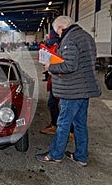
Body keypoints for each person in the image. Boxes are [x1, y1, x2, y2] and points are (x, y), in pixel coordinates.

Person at [36, 16, 101, 166]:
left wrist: (50, 67)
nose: (58, 35)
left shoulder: (70, 39)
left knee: (63, 123)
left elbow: (69, 66)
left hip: (72, 90)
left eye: (57, 32)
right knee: (80, 124)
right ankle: (80, 156)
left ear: (61, 28)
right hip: (83, 89)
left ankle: (55, 154)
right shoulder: (86, 36)